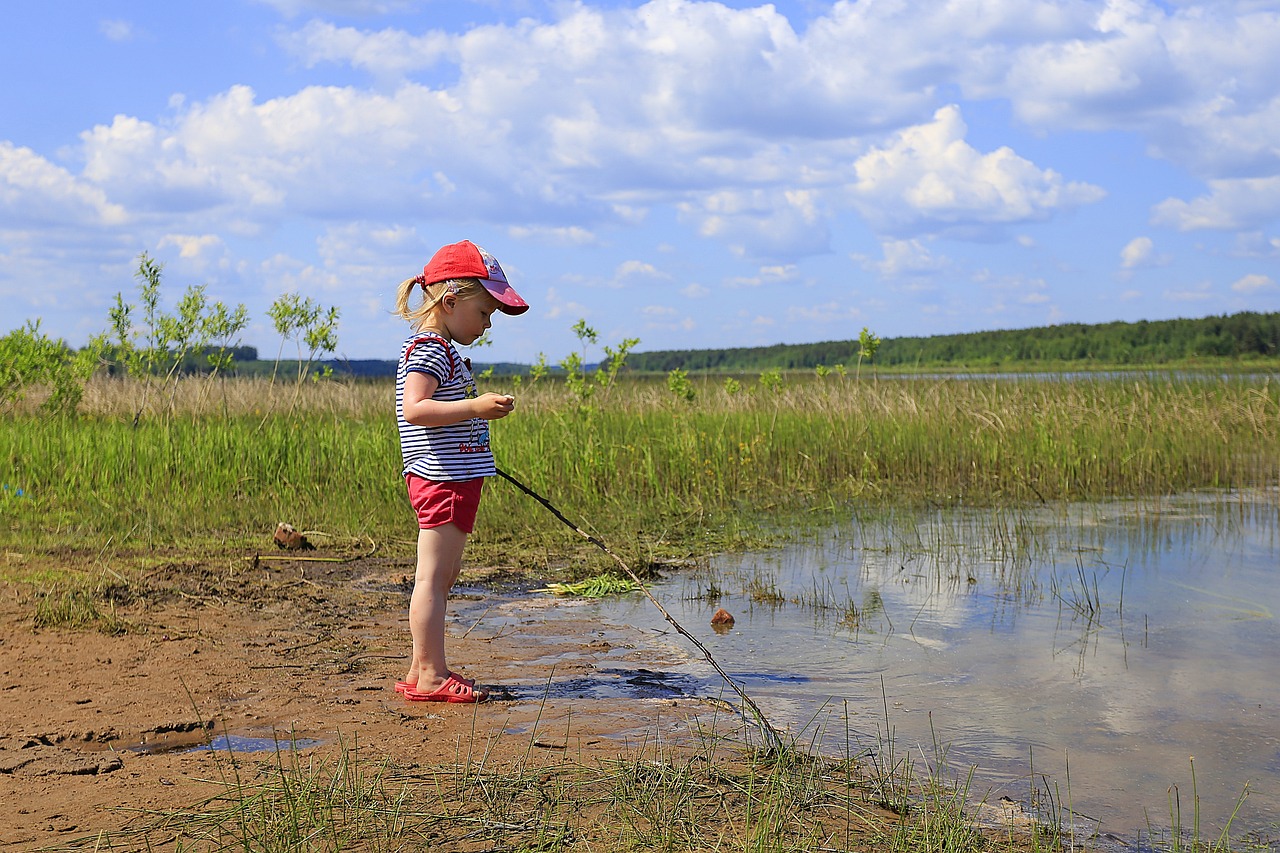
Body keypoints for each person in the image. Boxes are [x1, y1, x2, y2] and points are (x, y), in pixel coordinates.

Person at [392, 240, 528, 703]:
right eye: (485, 312)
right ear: (450, 302)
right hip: (442, 480)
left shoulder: (442, 349)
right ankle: (430, 674)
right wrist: (475, 406)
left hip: (454, 478)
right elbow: (415, 408)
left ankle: (419, 669)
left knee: (441, 577)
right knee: (432, 578)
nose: (488, 324)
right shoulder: (430, 349)